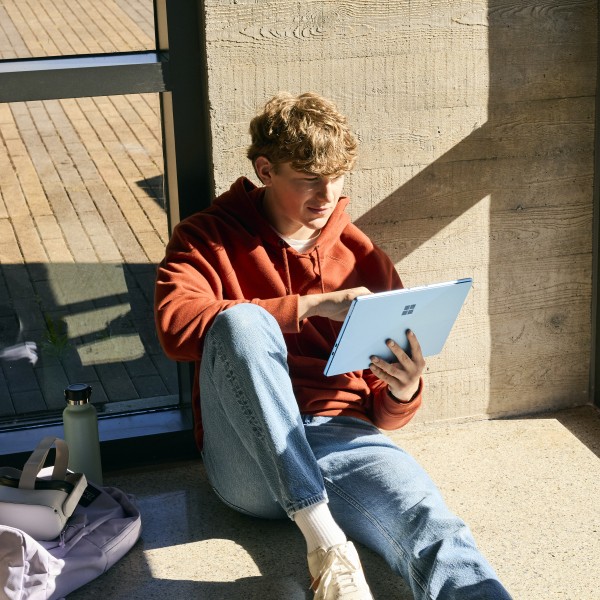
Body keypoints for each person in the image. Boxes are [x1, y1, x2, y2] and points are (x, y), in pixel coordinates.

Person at [154, 92, 512, 600]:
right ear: (264, 169)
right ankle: (325, 544)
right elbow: (175, 327)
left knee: (434, 527)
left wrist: (404, 391)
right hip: (246, 457)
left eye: (336, 178)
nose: (326, 195)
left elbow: (382, 414)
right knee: (243, 324)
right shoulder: (204, 238)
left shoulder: (362, 256)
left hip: (340, 438)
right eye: (307, 179)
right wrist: (310, 305)